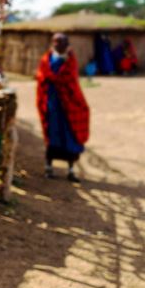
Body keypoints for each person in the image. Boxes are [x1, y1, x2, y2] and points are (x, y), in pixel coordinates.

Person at [36, 33, 90, 182]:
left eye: (61, 42)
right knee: (52, 134)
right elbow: (41, 77)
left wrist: (56, 79)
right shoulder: (46, 59)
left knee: (69, 135)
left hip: (68, 105)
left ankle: (71, 170)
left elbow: (71, 79)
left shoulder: (70, 60)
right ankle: (49, 167)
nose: (57, 45)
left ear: (67, 44)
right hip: (52, 103)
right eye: (55, 42)